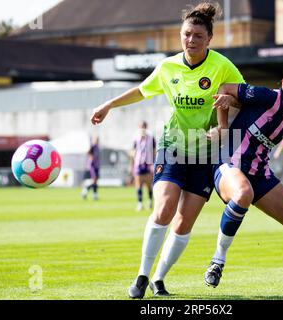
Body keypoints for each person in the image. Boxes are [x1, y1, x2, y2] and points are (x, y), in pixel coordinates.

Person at [90, 2, 245, 299]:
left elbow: (243, 98)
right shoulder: (168, 66)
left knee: (184, 221)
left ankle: (159, 278)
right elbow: (141, 90)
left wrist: (226, 120)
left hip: (205, 153)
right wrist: (108, 104)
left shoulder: (223, 66)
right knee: (164, 208)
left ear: (209, 39)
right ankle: (141, 276)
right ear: (180, 35)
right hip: (173, 145)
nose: (191, 40)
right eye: (187, 34)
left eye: (198, 35)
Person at [204, 59, 283, 292]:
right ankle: (217, 261)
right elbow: (225, 88)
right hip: (229, 165)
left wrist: (237, 103)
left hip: (259, 173)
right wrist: (222, 126)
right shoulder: (268, 96)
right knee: (243, 193)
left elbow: (244, 108)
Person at [130, 121, 156, 211]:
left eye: (143, 127)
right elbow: (133, 152)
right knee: (138, 184)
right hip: (138, 163)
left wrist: (153, 162)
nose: (142, 129)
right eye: (140, 127)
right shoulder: (136, 138)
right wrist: (132, 164)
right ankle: (140, 203)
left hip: (148, 163)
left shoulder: (151, 137)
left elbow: (154, 150)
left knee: (149, 185)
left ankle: (150, 201)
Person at [81, 136, 101, 200]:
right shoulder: (93, 146)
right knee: (94, 181)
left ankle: (95, 195)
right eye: (96, 139)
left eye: (97, 139)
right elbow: (88, 152)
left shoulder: (97, 147)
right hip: (93, 166)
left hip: (97, 166)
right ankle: (85, 190)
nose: (97, 140)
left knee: (96, 182)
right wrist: (91, 157)